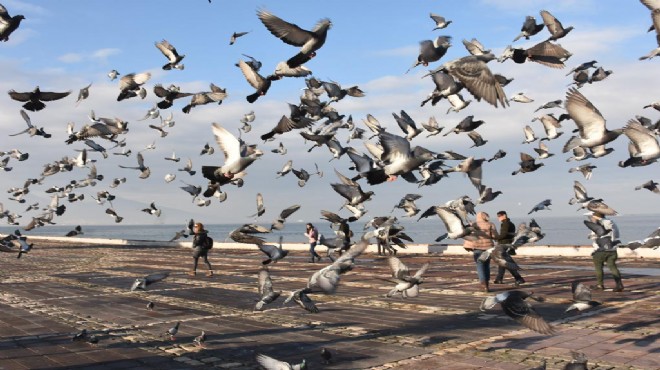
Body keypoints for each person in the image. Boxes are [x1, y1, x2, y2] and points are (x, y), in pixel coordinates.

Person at [588, 212, 624, 292]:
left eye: (593, 216)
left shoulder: (597, 224)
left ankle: (600, 285)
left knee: (599, 268)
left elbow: (594, 237)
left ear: (597, 216)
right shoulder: (612, 223)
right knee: (613, 267)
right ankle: (619, 284)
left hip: (601, 250)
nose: (591, 217)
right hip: (612, 249)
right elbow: (617, 235)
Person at [463, 211, 496, 292]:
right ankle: (487, 284)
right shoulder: (491, 224)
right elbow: (495, 236)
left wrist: (467, 246)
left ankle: (483, 284)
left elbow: (469, 236)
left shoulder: (474, 225)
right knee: (486, 266)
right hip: (488, 249)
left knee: (480, 265)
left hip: (477, 248)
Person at [493, 211, 525, 286]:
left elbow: (503, 235)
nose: (498, 217)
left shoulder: (506, 224)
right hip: (507, 245)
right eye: (498, 216)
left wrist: (495, 237)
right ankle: (499, 279)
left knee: (508, 264)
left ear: (504, 215)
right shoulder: (509, 223)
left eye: (500, 216)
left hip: (504, 245)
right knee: (502, 262)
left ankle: (519, 279)